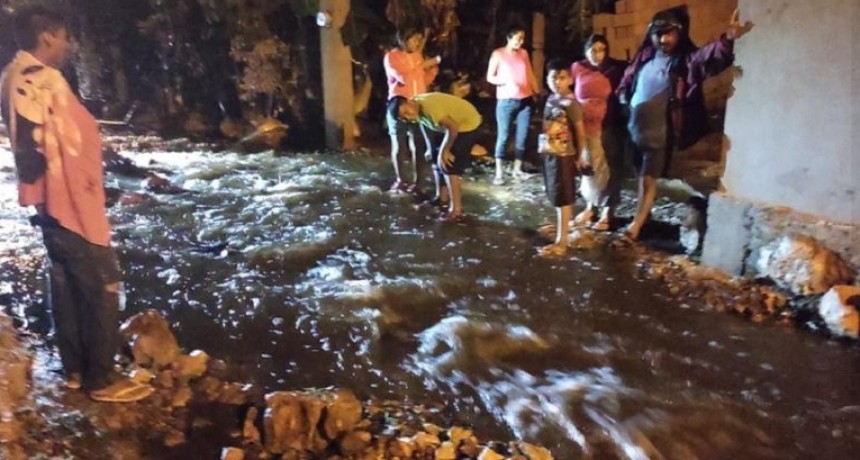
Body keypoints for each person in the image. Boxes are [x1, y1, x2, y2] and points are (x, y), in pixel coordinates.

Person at [0, 6, 153, 403]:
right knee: (103, 284)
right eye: (64, 37)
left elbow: (32, 147)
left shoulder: (12, 76)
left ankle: (73, 370)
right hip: (69, 201)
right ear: (49, 36)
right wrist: (99, 197)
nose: (68, 45)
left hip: (42, 201)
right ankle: (100, 379)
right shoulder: (47, 81)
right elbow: (70, 147)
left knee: (65, 281)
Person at [617, 6, 752, 240]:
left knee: (649, 179)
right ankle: (643, 217)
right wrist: (622, 93)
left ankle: (635, 227)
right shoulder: (645, 56)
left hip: (659, 134)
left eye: (669, 33)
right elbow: (629, 77)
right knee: (641, 175)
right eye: (658, 34)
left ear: (679, 35)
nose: (663, 39)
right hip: (636, 131)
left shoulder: (682, 63)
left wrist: (727, 39)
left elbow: (705, 57)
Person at [388, 92, 481, 222]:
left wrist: (445, 150)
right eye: (404, 117)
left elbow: (453, 128)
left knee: (448, 166)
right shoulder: (416, 108)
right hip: (446, 128)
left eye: (406, 111)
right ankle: (441, 197)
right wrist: (430, 147)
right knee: (435, 160)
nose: (408, 117)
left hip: (466, 125)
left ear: (409, 102)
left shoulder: (430, 108)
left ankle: (456, 210)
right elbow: (425, 124)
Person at [570, 34, 628, 231]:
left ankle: (607, 212)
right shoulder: (578, 68)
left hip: (608, 125)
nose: (597, 54)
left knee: (609, 166)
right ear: (586, 50)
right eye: (593, 49)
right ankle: (590, 207)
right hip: (583, 127)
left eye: (602, 49)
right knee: (588, 167)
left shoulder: (614, 70)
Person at [536, 59, 586, 257]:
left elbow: (580, 132)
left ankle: (562, 241)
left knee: (562, 196)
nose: (557, 82)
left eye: (562, 78)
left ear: (570, 80)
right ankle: (564, 228)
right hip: (549, 152)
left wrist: (580, 156)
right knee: (556, 193)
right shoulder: (550, 99)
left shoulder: (571, 104)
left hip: (564, 155)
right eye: (553, 77)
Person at [383, 27, 440, 193]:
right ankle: (400, 179)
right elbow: (403, 77)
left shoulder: (417, 56)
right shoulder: (391, 57)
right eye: (414, 39)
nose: (417, 43)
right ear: (403, 39)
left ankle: (419, 181)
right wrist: (424, 65)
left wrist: (431, 71)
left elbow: (421, 80)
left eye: (419, 40)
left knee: (418, 144)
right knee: (399, 145)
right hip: (399, 105)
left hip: (417, 105)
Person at [486, 25, 540, 185]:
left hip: (525, 99)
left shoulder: (523, 53)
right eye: (518, 39)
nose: (520, 42)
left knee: (522, 136)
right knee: (503, 135)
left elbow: (529, 73)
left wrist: (537, 90)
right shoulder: (498, 54)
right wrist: (505, 81)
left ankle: (517, 169)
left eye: (522, 39)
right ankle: (499, 172)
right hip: (506, 100)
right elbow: (490, 77)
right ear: (509, 38)